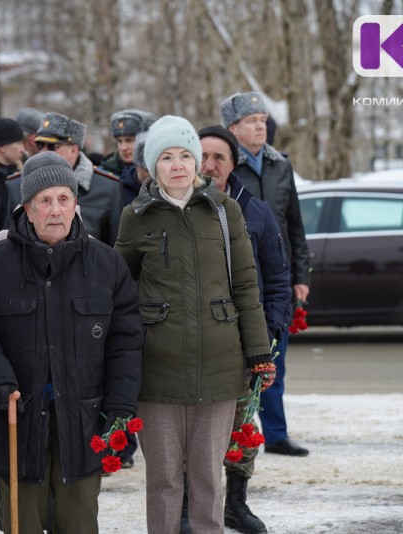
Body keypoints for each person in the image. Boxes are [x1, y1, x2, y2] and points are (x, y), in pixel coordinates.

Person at [0, 151, 143, 533]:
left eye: (63, 199)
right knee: (21, 523)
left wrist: (121, 404)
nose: (55, 210)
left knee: (78, 522)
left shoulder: (106, 265)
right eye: (44, 200)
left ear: (75, 204)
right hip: (17, 419)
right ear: (27, 207)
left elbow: (126, 340)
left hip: (84, 422)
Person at [114, 115, 274, 534]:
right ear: (153, 166)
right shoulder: (136, 216)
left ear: (198, 161)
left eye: (186, 155)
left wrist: (258, 352)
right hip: (158, 372)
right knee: (164, 479)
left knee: (207, 477)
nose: (178, 165)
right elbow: (118, 292)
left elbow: (245, 285)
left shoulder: (225, 212)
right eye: (167, 157)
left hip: (220, 369)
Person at [198, 125, 292, 534]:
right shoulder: (179, 209)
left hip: (242, 345)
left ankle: (236, 503)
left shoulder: (255, 212)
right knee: (193, 431)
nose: (209, 165)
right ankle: (190, 506)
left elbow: (276, 279)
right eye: (202, 155)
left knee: (241, 428)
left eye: (219, 157)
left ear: (234, 164)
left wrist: (269, 333)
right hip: (193, 343)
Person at [221, 91, 311, 457]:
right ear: (233, 128)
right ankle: (236, 433)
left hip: (276, 279)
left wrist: (300, 275)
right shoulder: (225, 167)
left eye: (263, 120)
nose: (261, 126)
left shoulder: (280, 166)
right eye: (252, 121)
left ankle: (274, 433)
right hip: (235, 280)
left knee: (275, 360)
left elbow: (295, 226)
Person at [7, 112, 123, 246]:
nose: (43, 152)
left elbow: (114, 246)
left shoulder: (108, 187)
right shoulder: (15, 184)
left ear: (73, 150)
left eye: (51, 146)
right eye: (40, 145)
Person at [99, 109, 156, 177]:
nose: (123, 148)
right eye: (119, 141)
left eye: (129, 140)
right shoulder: (105, 171)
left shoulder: (160, 171)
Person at [119, 131, 149, 207]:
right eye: (147, 170)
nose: (123, 148)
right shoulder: (119, 192)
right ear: (137, 166)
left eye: (129, 140)